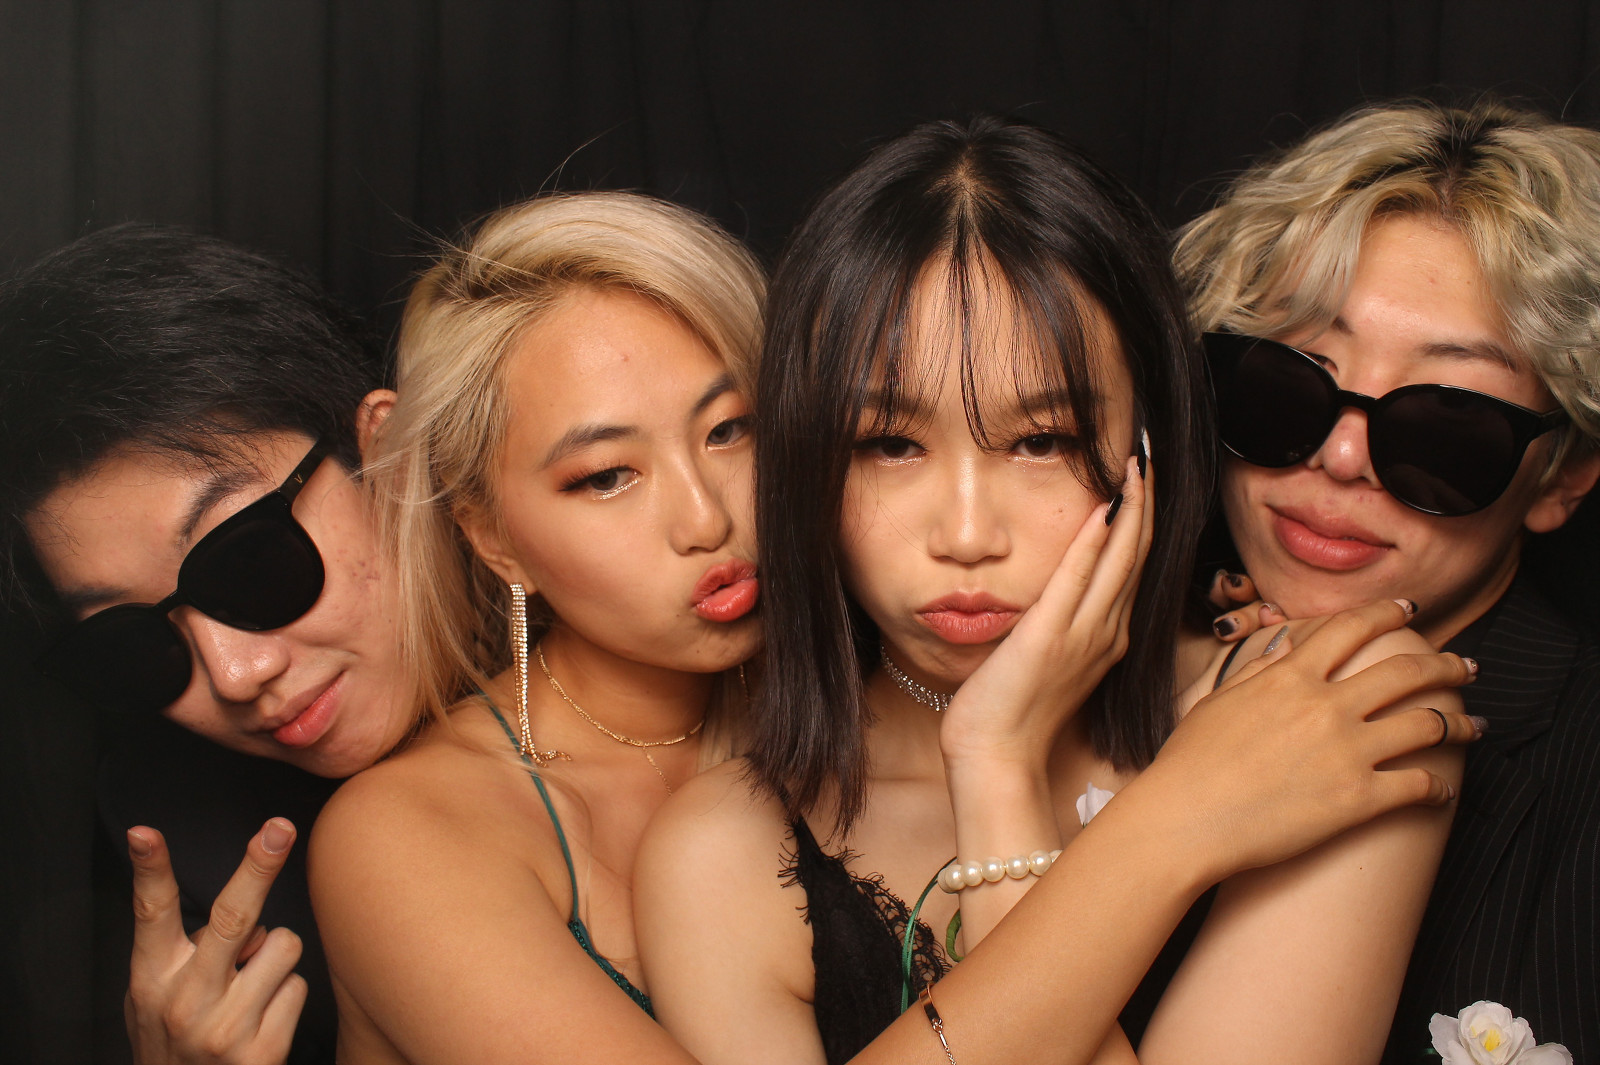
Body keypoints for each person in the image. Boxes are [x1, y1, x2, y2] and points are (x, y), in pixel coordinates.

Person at [635, 116, 1482, 1065]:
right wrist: (1018, 765)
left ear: (1149, 442)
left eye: (1041, 441)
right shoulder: (721, 852)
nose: (966, 535)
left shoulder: (1334, 698)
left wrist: (998, 769)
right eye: (890, 444)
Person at [1177, 99, 1600, 1060]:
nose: (1339, 457)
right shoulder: (1095, 673)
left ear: (1562, 476)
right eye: (1289, 381)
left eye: (1445, 422)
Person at [304, 191, 767, 1062]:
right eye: (606, 475)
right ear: (492, 536)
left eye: (730, 429)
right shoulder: (405, 833)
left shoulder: (863, 706)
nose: (706, 518)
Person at [0, 223, 416, 1064]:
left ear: (388, 453)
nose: (234, 674)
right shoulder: (185, 827)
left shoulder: (641, 616)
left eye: (246, 560)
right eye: (130, 640)